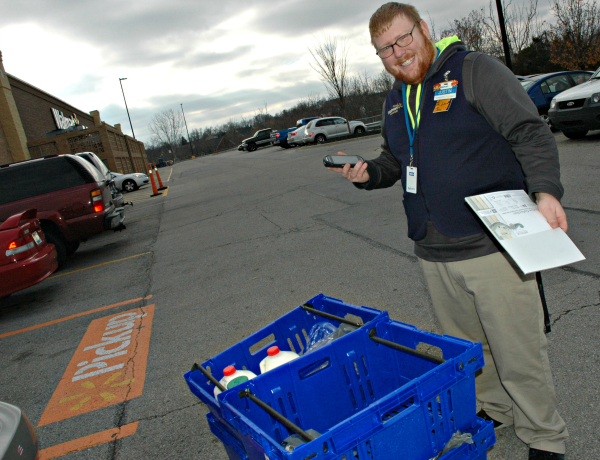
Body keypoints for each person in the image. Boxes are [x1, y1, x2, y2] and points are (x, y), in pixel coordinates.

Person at [327, 3, 569, 459]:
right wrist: (369, 174)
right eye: (384, 50)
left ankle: (545, 436)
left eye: (402, 40)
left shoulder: (475, 70)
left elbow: (529, 132)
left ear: (424, 29)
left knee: (519, 352)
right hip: (434, 249)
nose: (397, 54)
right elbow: (396, 160)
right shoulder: (396, 98)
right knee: (471, 349)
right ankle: (495, 407)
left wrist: (546, 191)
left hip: (493, 244)